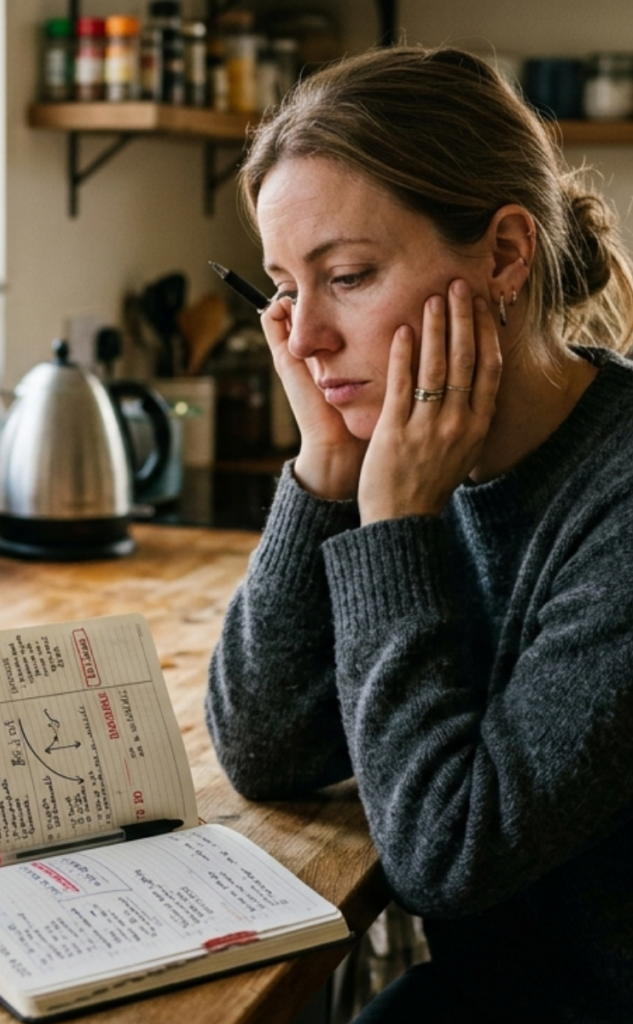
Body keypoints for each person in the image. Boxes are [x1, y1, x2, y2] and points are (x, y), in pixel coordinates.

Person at [205, 45, 633, 1024]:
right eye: (283, 287)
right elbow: (266, 746)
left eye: (347, 275)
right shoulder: (411, 454)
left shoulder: (617, 500)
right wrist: (323, 473)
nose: (304, 337)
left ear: (504, 256)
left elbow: (448, 853)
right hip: (500, 990)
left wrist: (396, 520)